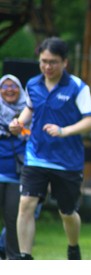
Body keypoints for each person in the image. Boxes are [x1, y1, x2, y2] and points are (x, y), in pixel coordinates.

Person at [9, 37, 91, 260]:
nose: (47, 67)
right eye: (43, 61)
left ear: (65, 62)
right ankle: (24, 258)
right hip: (36, 156)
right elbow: (30, 111)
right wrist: (18, 124)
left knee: (67, 212)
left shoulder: (78, 87)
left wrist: (63, 131)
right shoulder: (32, 84)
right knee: (26, 204)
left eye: (53, 62)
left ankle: (73, 247)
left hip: (66, 161)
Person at [0, 74, 27, 260]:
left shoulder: (28, 113)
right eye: (4, 86)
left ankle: (14, 260)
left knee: (13, 220)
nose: (9, 89)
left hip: (16, 176)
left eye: (13, 86)